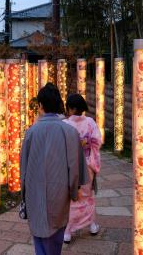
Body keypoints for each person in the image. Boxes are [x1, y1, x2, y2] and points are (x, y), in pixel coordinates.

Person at [20, 83, 88, 255]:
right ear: (59, 105)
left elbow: (24, 170)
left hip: (35, 192)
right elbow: (74, 169)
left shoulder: (31, 132)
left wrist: (24, 195)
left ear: (40, 105)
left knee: (39, 236)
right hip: (59, 191)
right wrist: (74, 191)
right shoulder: (70, 132)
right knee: (56, 234)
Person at [63, 94, 102, 243]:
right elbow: (97, 142)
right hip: (87, 164)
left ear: (71, 108)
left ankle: (67, 231)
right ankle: (92, 225)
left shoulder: (65, 124)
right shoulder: (90, 122)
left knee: (72, 197)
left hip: (70, 164)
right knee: (87, 195)